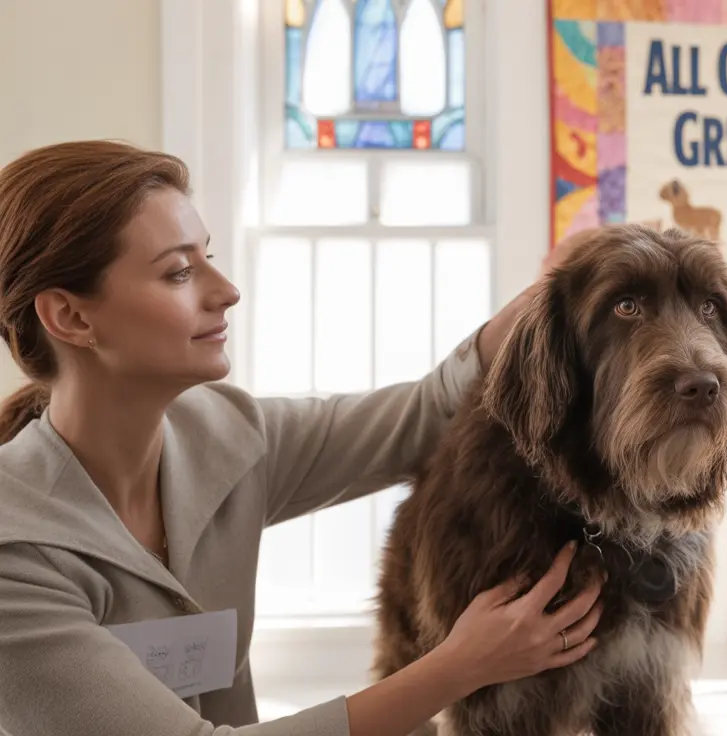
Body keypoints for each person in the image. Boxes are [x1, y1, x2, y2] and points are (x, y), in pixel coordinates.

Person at [0, 140, 605, 736]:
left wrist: (555, 299)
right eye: (180, 271)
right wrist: (462, 666)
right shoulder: (15, 556)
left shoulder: (228, 436)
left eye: (207, 257)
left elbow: (424, 414)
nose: (226, 291)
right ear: (71, 318)